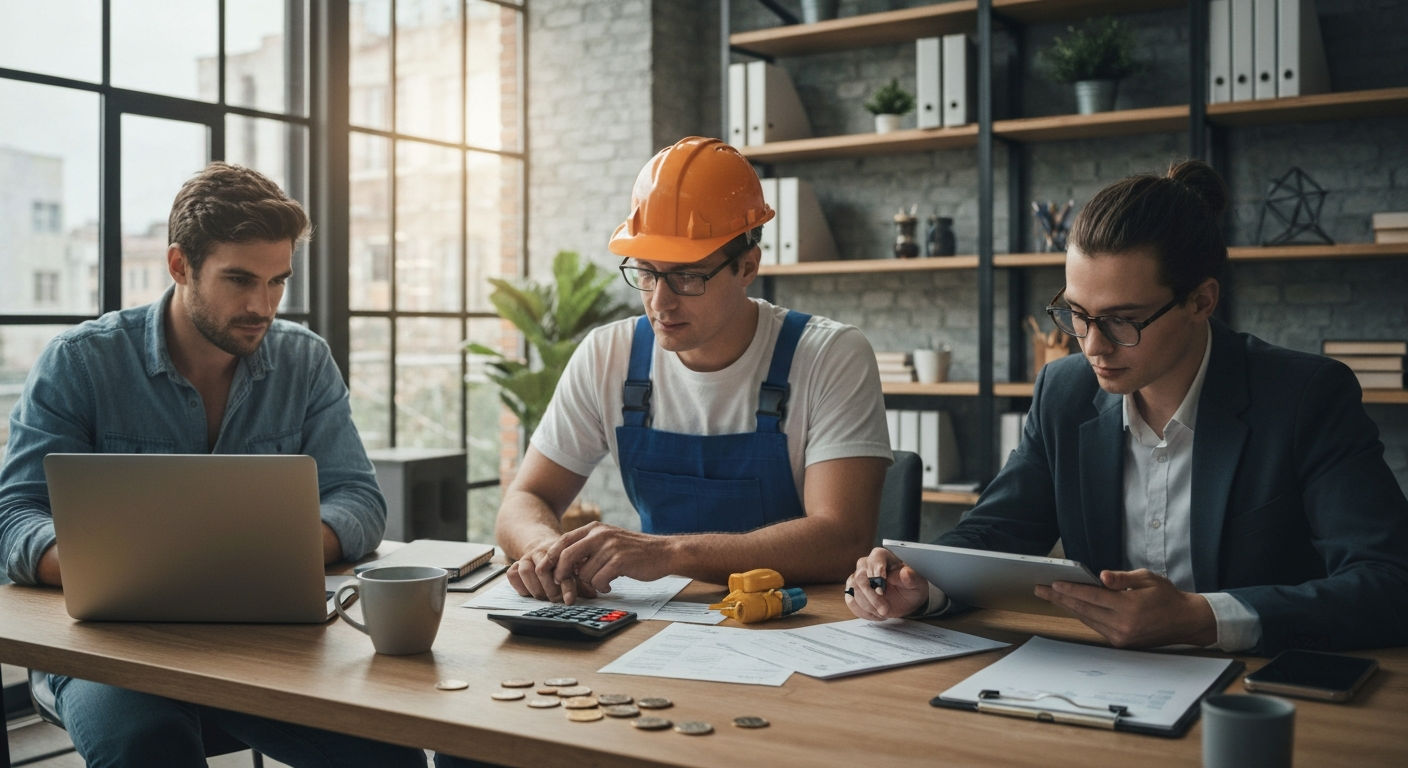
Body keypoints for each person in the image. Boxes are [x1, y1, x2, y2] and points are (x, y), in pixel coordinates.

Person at [845, 160, 1408, 655]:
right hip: (1104, 679)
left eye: (1122, 320)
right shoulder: (1063, 392)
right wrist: (920, 582)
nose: (1091, 345)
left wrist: (1202, 618)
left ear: (1201, 301)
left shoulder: (1306, 396)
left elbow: (1389, 582)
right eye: (1076, 313)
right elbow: (997, 531)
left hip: (1262, 689)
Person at [0, 162, 426, 767]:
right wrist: (116, 574)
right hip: (112, 646)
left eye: (278, 281)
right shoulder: (81, 362)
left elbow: (357, 498)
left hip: (266, 638)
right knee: (145, 745)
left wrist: (275, 555)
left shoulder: (304, 361)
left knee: (388, 752)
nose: (262, 305)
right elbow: (13, 515)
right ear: (180, 265)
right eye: (239, 279)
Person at [497, 136, 892, 605]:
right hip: (663, 618)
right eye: (646, 273)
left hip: (797, 617)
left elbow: (842, 538)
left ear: (747, 266)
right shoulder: (609, 355)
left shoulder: (829, 355)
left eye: (687, 276)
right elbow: (525, 499)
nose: (660, 302)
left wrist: (669, 553)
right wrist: (546, 552)